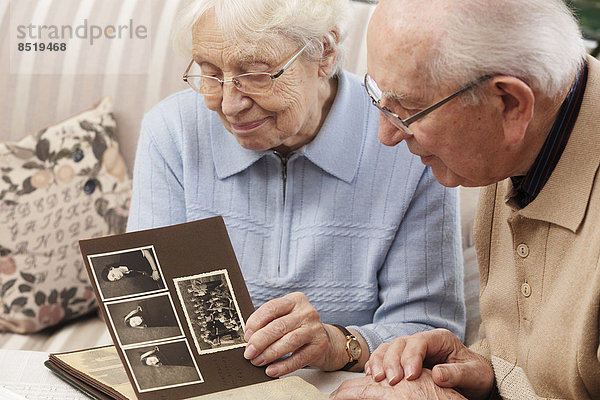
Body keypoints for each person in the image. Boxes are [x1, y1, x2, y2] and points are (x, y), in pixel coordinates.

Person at [127, 0, 465, 378]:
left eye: (255, 74)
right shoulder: (172, 133)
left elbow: (428, 332)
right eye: (209, 73)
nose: (229, 104)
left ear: (325, 52)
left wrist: (340, 344)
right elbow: (150, 313)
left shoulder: (407, 143)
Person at [331, 0, 600, 399]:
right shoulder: (508, 147)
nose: (385, 136)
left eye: (408, 110)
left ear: (510, 104)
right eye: (378, 98)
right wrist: (487, 374)